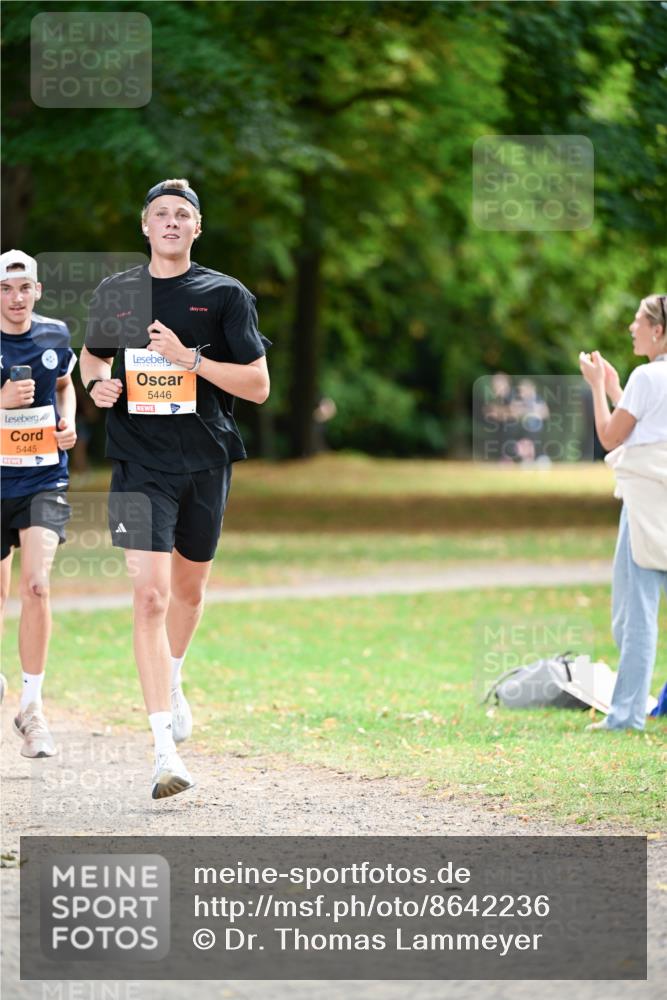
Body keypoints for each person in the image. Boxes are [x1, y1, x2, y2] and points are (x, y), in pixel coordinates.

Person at [80, 178, 271, 799]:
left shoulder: (224, 294)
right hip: (138, 464)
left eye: (181, 215)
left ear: (196, 229)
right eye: (159, 214)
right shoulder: (119, 292)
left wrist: (191, 360)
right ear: (144, 227)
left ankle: (176, 676)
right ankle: (165, 750)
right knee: (151, 599)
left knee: (188, 594)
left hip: (206, 461)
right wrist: (97, 386)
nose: (170, 222)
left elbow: (259, 386)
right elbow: (93, 358)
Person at [0, 250, 77, 756]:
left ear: (38, 291)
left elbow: (67, 384)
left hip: (44, 479)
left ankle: (32, 709)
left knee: (38, 585)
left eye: (24, 288)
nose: (16, 298)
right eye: (6, 289)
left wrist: (68, 420)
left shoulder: (55, 334)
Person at [578, 293, 667, 731]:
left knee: (635, 613)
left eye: (639, 320)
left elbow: (613, 438)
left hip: (646, 505)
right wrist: (617, 389)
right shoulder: (645, 379)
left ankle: (627, 715)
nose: (632, 327)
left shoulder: (647, 377)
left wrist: (596, 388)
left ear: (659, 330)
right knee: (637, 612)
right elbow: (648, 427)